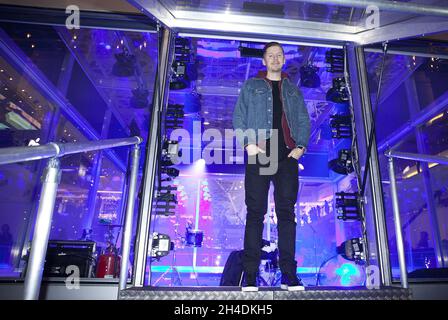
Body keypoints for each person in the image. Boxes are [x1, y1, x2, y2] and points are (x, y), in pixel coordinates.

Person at [233, 42, 310, 291]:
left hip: (287, 155)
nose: (275, 59)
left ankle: (289, 275)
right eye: (270, 55)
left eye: (279, 55)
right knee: (256, 213)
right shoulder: (252, 86)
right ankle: (251, 275)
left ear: (284, 59)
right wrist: (248, 145)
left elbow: (302, 118)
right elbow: (239, 116)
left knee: (287, 215)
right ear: (264, 61)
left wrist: (301, 148)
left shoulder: (292, 89)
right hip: (261, 152)